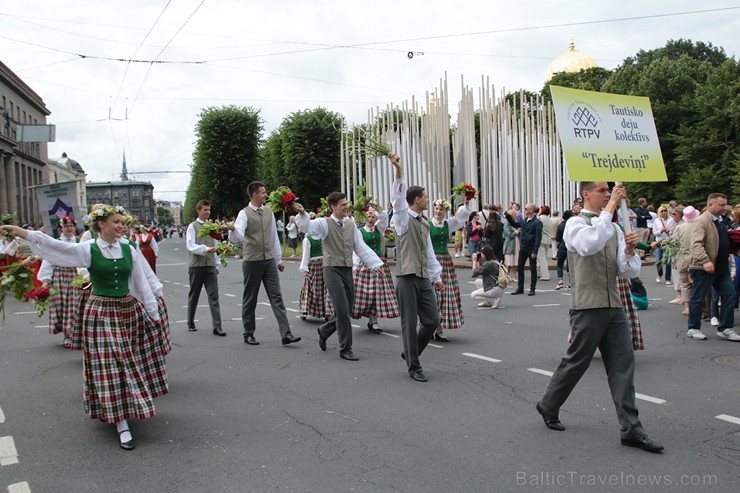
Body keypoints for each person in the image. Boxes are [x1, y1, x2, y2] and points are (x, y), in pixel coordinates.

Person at [1, 205, 167, 451]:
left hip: (126, 310)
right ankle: (121, 422)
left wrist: (154, 312)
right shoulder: (88, 249)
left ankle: (122, 407)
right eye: (116, 222)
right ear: (101, 224)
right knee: (111, 362)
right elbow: (58, 249)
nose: (121, 226)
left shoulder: (128, 249)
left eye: (122, 222)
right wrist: (25, 234)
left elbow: (141, 281)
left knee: (126, 361)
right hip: (100, 312)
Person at [535, 182, 663, 453]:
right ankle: (548, 404)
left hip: (614, 304)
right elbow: (589, 245)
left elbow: (626, 271)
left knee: (623, 367)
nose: (607, 194)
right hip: (587, 304)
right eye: (603, 191)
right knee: (576, 362)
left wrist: (629, 252)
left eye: (609, 191)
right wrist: (612, 206)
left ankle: (631, 429)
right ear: (586, 194)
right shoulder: (575, 224)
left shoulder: (614, 228)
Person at [294, 193, 383, 361]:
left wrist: (375, 264)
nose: (346, 207)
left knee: (346, 310)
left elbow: (360, 247)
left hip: (347, 269)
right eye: (343, 205)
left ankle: (324, 330)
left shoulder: (351, 225)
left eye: (346, 204)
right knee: (342, 310)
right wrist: (302, 214)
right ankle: (345, 348)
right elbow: (307, 227)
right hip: (331, 269)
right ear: (333, 207)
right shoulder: (324, 223)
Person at [388, 153, 444, 382]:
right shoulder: (402, 220)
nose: (428, 200)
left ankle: (411, 353)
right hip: (406, 276)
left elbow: (428, 251)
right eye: (425, 197)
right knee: (409, 324)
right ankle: (414, 366)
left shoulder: (423, 223)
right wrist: (398, 170)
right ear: (416, 199)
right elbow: (398, 199)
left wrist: (436, 276)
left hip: (422, 277)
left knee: (432, 320)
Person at [229, 182, 301, 347]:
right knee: (250, 298)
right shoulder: (244, 213)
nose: (265, 195)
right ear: (253, 194)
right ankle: (248, 332)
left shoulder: (268, 211)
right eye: (262, 192)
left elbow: (274, 236)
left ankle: (286, 334)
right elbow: (237, 236)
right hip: (252, 261)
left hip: (268, 260)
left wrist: (278, 260)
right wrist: (232, 229)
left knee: (277, 297)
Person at [685, 193, 739, 341]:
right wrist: (705, 260)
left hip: (721, 267)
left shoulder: (721, 221)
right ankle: (693, 328)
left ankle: (725, 328)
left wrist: (734, 250)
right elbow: (696, 243)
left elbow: (721, 241)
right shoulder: (701, 221)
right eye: (721, 205)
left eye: (725, 204)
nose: (724, 207)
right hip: (703, 267)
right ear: (710, 205)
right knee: (699, 297)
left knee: (729, 295)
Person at [351, 207, 399, 334]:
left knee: (378, 293)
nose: (371, 219)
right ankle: (369, 316)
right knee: (367, 294)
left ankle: (374, 320)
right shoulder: (360, 231)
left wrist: (377, 208)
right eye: (368, 217)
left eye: (373, 217)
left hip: (379, 263)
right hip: (366, 264)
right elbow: (356, 249)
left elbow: (384, 218)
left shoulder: (379, 229)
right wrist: (355, 267)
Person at [37, 215, 81, 348]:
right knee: (62, 306)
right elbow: (48, 260)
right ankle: (67, 334)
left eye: (71, 226)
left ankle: (75, 334)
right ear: (60, 228)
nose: (69, 228)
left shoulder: (79, 242)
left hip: (76, 276)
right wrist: (46, 279)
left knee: (75, 306)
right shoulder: (55, 242)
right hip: (60, 277)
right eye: (66, 226)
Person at [429, 198, 470, 341]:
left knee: (444, 296)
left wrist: (466, 202)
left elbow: (461, 216)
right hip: (432, 261)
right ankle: (428, 326)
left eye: (441, 209)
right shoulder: (427, 225)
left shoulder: (448, 224)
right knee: (431, 296)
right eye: (436, 209)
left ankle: (439, 330)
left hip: (445, 262)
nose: (438, 212)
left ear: (446, 211)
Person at [185, 200, 225, 336]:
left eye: (209, 210)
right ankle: (190, 321)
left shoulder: (212, 226)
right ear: (198, 210)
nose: (207, 212)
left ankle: (217, 326)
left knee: (214, 296)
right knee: (194, 295)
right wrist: (206, 249)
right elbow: (190, 246)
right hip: (197, 266)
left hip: (210, 265)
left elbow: (215, 244)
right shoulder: (192, 226)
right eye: (205, 210)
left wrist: (217, 263)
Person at [298, 220, 333, 321]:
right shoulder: (307, 239)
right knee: (311, 288)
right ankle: (305, 309)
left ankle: (327, 311)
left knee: (326, 288)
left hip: (325, 265)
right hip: (313, 266)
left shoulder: (323, 237)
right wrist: (305, 269)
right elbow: (305, 255)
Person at [506, 203, 543, 296]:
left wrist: (535, 250)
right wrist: (508, 216)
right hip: (523, 247)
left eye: (526, 208)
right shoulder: (524, 220)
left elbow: (538, 237)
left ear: (531, 210)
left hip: (531, 248)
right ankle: (520, 287)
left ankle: (532, 288)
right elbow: (515, 224)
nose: (524, 210)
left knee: (532, 268)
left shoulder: (537, 222)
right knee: (520, 267)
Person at [671, 206, 700, 316]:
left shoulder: (679, 228)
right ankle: (698, 306)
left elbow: (674, 244)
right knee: (697, 282)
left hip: (682, 258)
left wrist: (673, 259)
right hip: (695, 257)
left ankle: (687, 307)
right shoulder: (698, 226)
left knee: (684, 283)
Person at [653, 206, 675, 284]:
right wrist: (660, 231)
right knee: (659, 260)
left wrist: (669, 231)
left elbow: (674, 230)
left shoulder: (671, 220)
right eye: (662, 211)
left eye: (665, 210)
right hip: (659, 242)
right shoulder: (657, 220)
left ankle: (667, 278)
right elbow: (654, 232)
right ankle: (659, 274)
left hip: (668, 241)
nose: (663, 212)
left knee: (668, 261)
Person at [554, 210, 573, 290]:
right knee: (571, 265)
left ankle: (560, 280)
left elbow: (557, 238)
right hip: (571, 246)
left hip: (562, 245)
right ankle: (570, 282)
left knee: (560, 264)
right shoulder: (572, 225)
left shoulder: (560, 226)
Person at [502, 210, 519, 283]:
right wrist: (516, 232)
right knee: (509, 262)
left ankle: (514, 276)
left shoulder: (516, 224)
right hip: (509, 244)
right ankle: (506, 276)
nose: (516, 217)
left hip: (516, 243)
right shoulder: (507, 225)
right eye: (514, 215)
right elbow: (509, 235)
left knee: (515, 262)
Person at [537, 205, 552, 281]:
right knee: (543, 257)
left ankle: (545, 275)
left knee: (541, 258)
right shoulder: (549, 219)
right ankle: (539, 272)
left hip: (541, 240)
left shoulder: (539, 219)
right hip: (548, 240)